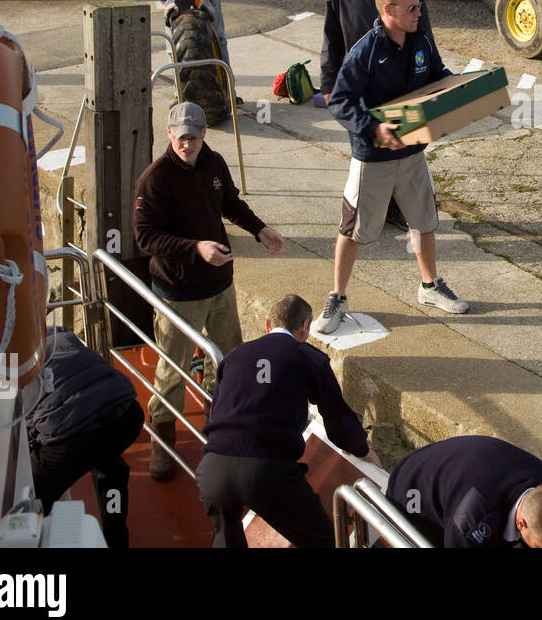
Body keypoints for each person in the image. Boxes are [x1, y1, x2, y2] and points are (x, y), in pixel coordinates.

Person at [133, 101, 285, 481]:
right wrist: (196, 248)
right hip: (177, 293)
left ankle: (220, 421)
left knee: (230, 360)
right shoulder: (154, 180)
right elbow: (145, 237)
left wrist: (259, 229)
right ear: (170, 135)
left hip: (220, 286)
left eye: (195, 137)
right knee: (171, 370)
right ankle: (163, 439)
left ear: (204, 136)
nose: (188, 144)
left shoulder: (214, 162)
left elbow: (230, 202)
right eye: (182, 137)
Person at [318, 0, 469, 332]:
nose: (419, 12)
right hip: (372, 160)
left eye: (420, 5)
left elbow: (438, 77)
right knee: (353, 228)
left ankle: (430, 286)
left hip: (414, 153)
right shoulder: (365, 51)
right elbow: (339, 101)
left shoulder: (422, 42)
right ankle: (337, 298)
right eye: (412, 7)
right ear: (388, 10)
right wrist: (374, 128)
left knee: (425, 221)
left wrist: (465, 93)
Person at [196, 294, 382, 548]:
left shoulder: (233, 357)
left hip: (213, 468)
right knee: (325, 541)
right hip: (265, 471)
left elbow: (217, 412)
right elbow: (336, 418)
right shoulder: (308, 357)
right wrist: (363, 449)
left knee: (226, 541)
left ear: (267, 325)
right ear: (305, 326)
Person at [318, 0, 427, 231]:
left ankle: (395, 208)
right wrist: (329, 84)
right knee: (368, 148)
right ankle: (365, 214)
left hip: (399, 84)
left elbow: (423, 33)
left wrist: (429, 78)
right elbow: (332, 39)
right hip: (359, 87)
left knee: (399, 146)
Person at [26, 327, 143, 548]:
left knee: (33, 498)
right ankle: (116, 537)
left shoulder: (8, 366)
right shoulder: (60, 334)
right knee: (109, 471)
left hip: (72, 438)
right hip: (125, 416)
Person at [384, 435, 542, 548]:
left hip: (470, 471)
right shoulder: (471, 519)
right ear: (521, 523)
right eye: (541, 546)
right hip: (412, 495)